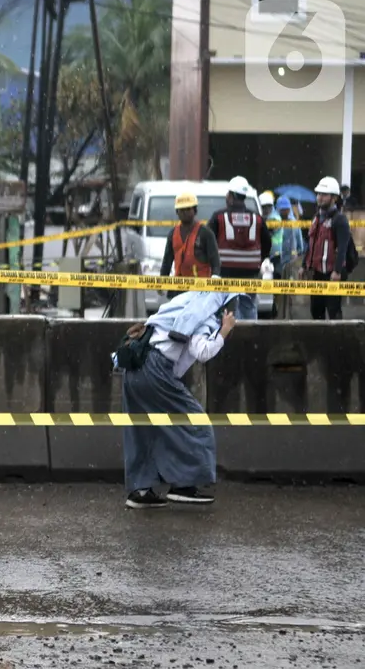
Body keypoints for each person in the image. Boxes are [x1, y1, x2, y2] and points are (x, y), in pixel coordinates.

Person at [120, 288, 240, 509]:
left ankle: (140, 490)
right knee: (196, 423)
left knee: (143, 429)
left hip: (133, 366)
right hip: (156, 368)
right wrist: (224, 330)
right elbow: (203, 351)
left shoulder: (182, 302)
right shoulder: (201, 314)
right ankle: (187, 486)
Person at [207, 176, 269, 320]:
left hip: (226, 272)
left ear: (231, 196)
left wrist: (213, 265)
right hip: (251, 273)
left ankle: (230, 338)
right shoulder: (257, 218)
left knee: (227, 308)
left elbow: (208, 242)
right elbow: (267, 243)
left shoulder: (218, 217)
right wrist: (258, 261)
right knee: (248, 306)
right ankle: (250, 336)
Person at [301, 176, 354, 320]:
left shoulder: (340, 219)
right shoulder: (316, 218)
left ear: (334, 198)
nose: (320, 197)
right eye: (318, 194)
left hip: (333, 274)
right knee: (316, 311)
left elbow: (343, 247)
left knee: (333, 312)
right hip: (318, 273)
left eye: (324, 195)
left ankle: (337, 342)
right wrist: (303, 266)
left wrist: (337, 272)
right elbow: (310, 244)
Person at [159, 193, 220, 299]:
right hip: (178, 288)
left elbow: (215, 260)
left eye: (188, 209)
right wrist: (161, 282)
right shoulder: (173, 234)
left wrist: (214, 279)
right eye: (181, 210)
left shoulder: (205, 233)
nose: (184, 212)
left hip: (200, 289)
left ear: (195, 210)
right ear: (176, 212)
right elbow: (167, 261)